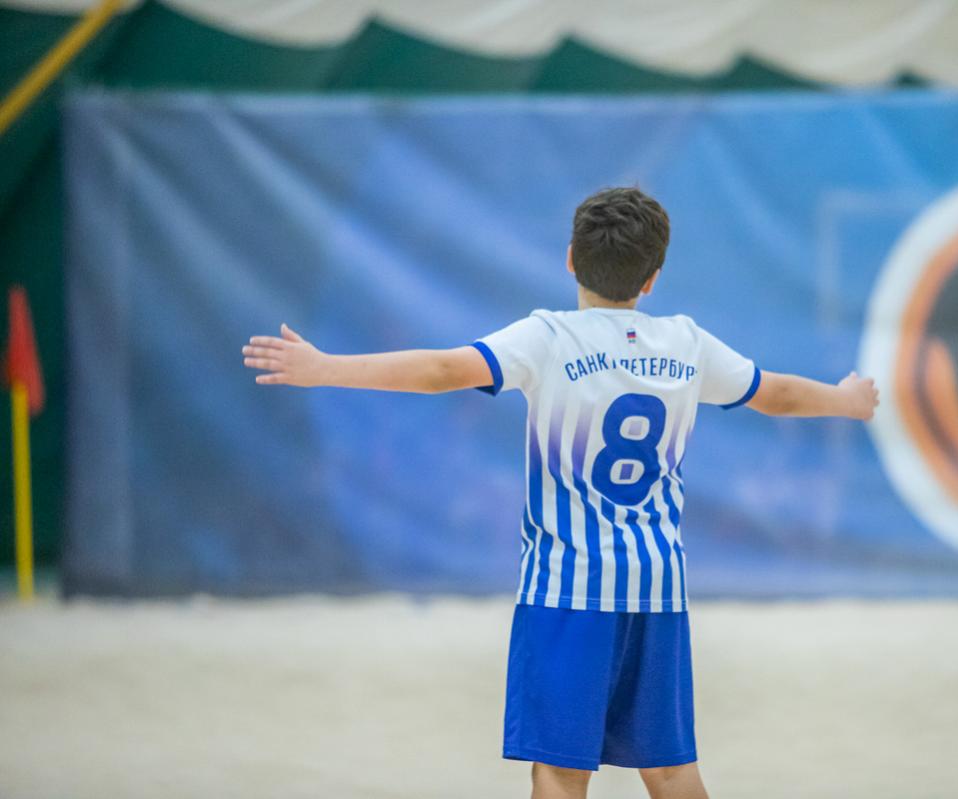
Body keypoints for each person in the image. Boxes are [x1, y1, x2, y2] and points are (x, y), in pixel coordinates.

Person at [242, 187, 879, 799]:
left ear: (571, 259)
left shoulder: (547, 338)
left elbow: (440, 371)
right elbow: (776, 394)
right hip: (658, 587)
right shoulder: (687, 343)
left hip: (567, 590)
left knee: (560, 772)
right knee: (670, 769)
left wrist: (325, 368)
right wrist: (846, 400)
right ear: (653, 277)